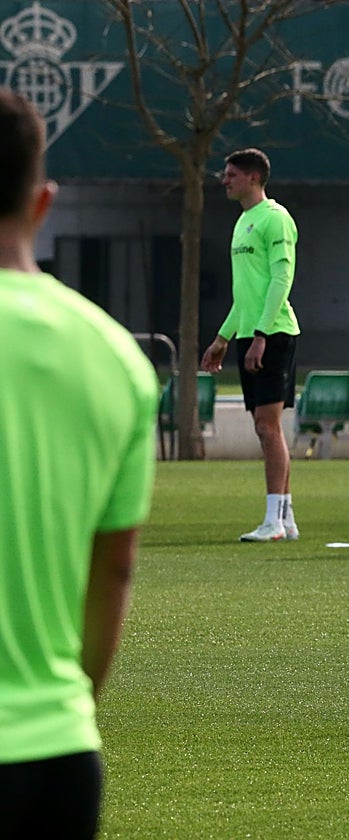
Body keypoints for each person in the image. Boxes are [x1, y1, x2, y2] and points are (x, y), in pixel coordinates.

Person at [0, 88, 158, 837]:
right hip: (56, 758)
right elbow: (115, 570)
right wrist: (70, 702)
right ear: (44, 202)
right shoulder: (117, 358)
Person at [202, 148, 302, 542]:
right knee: (265, 427)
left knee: (267, 425)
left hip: (274, 333)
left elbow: (282, 279)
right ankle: (286, 518)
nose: (224, 180)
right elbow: (244, 294)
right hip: (250, 334)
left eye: (231, 175)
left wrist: (261, 334)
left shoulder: (275, 219)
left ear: (253, 178)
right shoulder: (243, 221)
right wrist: (224, 337)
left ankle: (273, 521)